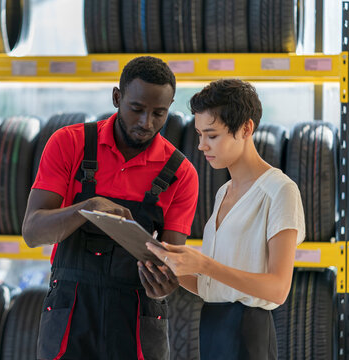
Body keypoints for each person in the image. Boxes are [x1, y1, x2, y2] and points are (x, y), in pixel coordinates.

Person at [22, 56, 199, 360]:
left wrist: (166, 284)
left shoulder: (181, 173)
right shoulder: (69, 144)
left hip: (138, 315)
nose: (147, 123)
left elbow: (171, 261)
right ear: (117, 97)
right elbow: (33, 232)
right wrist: (85, 207)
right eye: (137, 109)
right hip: (71, 308)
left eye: (159, 113)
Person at [144, 79, 305, 360]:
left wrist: (204, 264)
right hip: (211, 324)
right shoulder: (223, 192)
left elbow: (278, 289)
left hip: (248, 332)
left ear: (246, 129)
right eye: (199, 134)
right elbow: (213, 286)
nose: (202, 146)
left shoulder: (280, 191)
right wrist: (172, 266)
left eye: (212, 135)